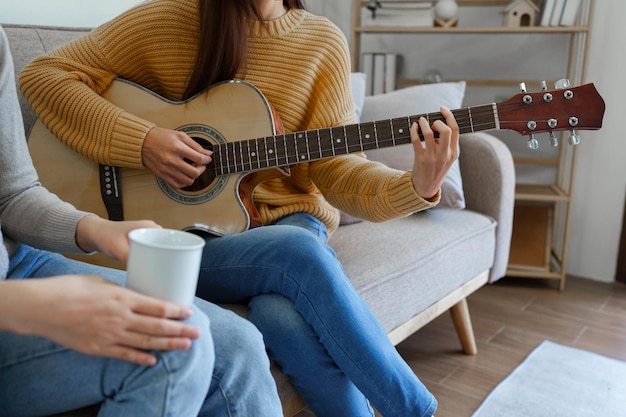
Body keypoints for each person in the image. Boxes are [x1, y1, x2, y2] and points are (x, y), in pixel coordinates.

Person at [20, 1, 459, 416]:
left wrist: (416, 186)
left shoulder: (322, 42)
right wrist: (142, 142)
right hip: (185, 239)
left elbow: (337, 171)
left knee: (280, 315)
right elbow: (44, 74)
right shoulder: (173, 20)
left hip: (287, 223)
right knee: (295, 253)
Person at [0, 25, 282, 417]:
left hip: (21, 262)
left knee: (238, 342)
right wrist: (21, 305)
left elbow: (12, 194)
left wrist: (98, 228)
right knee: (173, 348)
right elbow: (46, 74)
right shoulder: (171, 18)